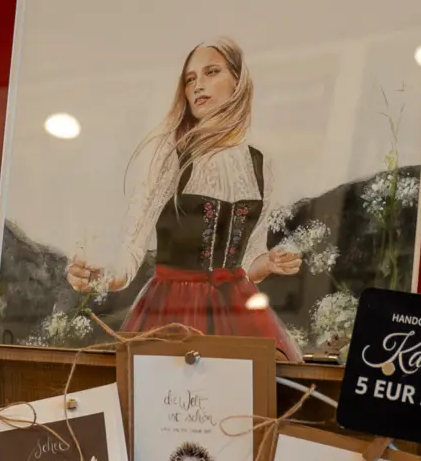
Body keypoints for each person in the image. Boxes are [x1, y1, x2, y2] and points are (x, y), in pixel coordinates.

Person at [65, 37, 303, 361]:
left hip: (238, 312)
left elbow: (249, 262)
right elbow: (131, 252)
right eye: (190, 79)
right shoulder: (169, 154)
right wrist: (101, 275)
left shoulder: (261, 164)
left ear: (238, 80)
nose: (197, 86)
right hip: (172, 310)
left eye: (211, 72)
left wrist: (268, 263)